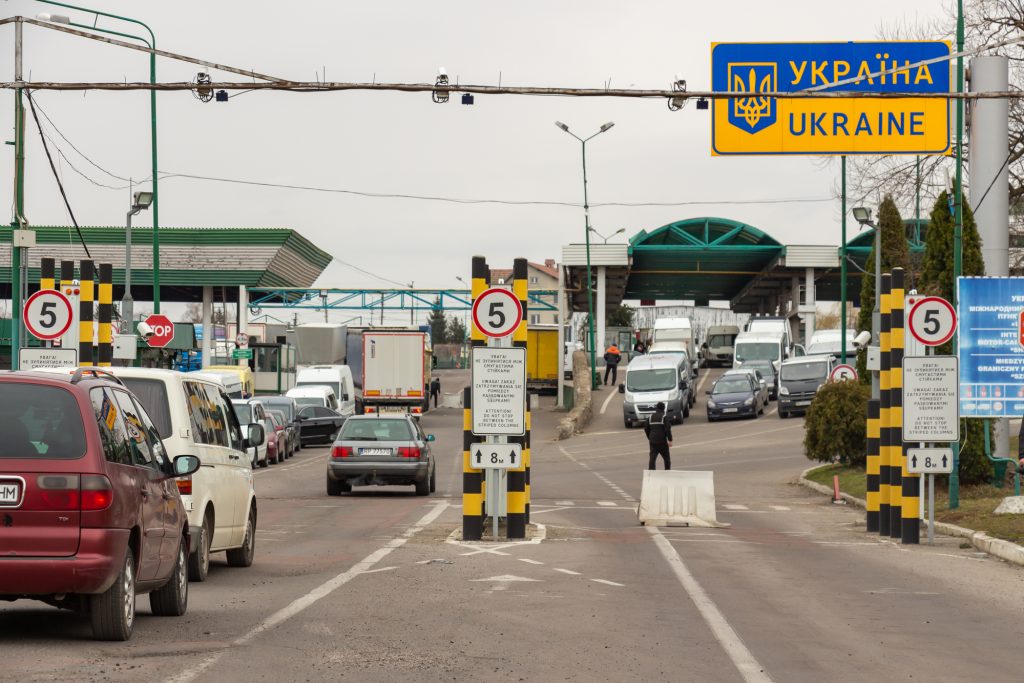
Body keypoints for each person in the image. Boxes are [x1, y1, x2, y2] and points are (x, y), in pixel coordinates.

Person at [644, 402, 672, 470]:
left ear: (656, 408)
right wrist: (670, 440)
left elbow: (646, 428)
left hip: (653, 442)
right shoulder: (664, 417)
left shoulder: (650, 417)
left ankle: (651, 473)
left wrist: (649, 437)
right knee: (667, 459)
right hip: (662, 442)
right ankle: (667, 472)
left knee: (652, 460)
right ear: (663, 409)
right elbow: (668, 429)